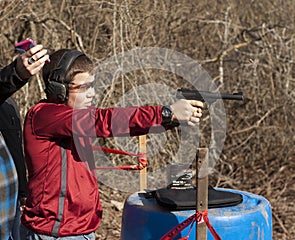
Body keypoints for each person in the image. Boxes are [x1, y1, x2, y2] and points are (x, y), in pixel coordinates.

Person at [21, 49, 205, 239]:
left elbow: (124, 126)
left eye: (93, 86)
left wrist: (171, 119)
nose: (92, 94)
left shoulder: (71, 120)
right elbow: (105, 120)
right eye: (84, 87)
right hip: (54, 234)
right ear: (58, 90)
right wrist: (165, 113)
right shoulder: (44, 115)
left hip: (80, 230)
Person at [0, 43, 49, 240]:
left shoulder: (8, 106)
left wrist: (22, 192)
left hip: (11, 211)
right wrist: (16, 73)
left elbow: (14, 150)